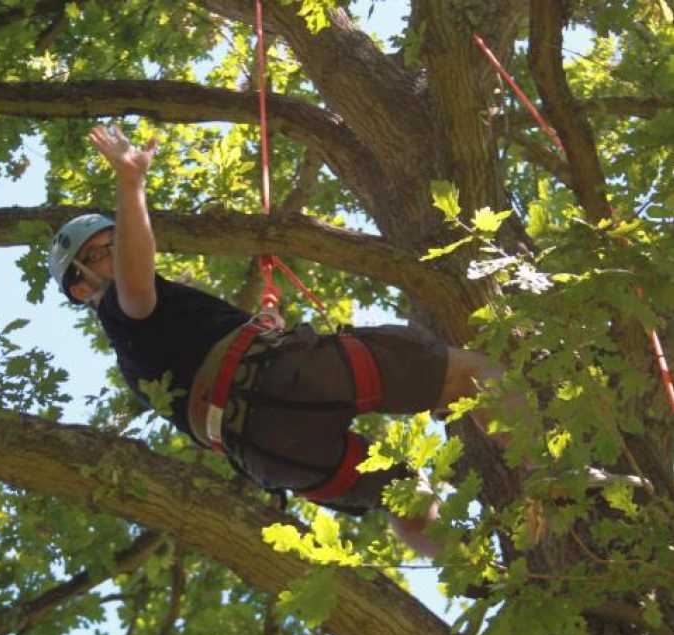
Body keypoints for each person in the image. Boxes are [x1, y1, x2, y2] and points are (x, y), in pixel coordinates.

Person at [48, 124, 505, 557]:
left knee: (403, 494)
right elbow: (137, 281)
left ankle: (480, 575)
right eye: (102, 252)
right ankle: (554, 478)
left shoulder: (148, 348)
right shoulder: (122, 312)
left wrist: (262, 326)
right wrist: (131, 184)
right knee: (473, 372)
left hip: (272, 453)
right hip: (281, 385)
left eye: (115, 241)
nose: (118, 250)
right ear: (82, 288)